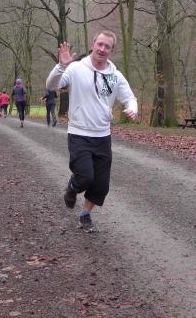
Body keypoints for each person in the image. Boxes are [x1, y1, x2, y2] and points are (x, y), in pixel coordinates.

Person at [46, 31, 138, 233]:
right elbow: (51, 86)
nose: (102, 49)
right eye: (100, 44)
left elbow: (130, 98)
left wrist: (133, 108)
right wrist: (61, 66)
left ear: (112, 50)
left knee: (101, 185)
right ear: (93, 44)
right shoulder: (76, 68)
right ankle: (72, 187)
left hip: (103, 136)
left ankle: (85, 215)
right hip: (79, 133)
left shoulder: (115, 76)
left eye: (107, 46)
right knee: (85, 176)